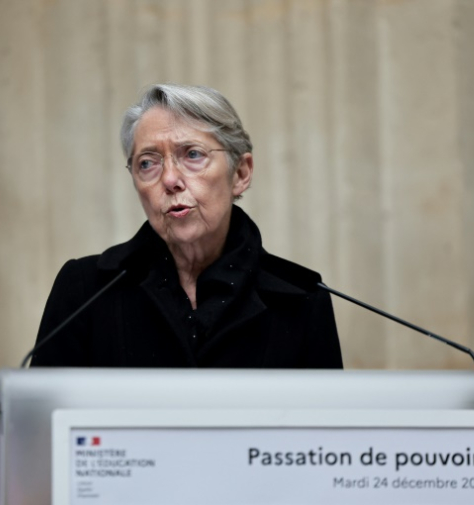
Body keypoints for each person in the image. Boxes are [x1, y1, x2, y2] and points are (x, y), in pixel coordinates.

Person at [30, 84, 343, 368]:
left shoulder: (301, 301)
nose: (169, 180)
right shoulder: (86, 292)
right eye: (147, 163)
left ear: (240, 173)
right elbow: (37, 426)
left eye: (193, 155)